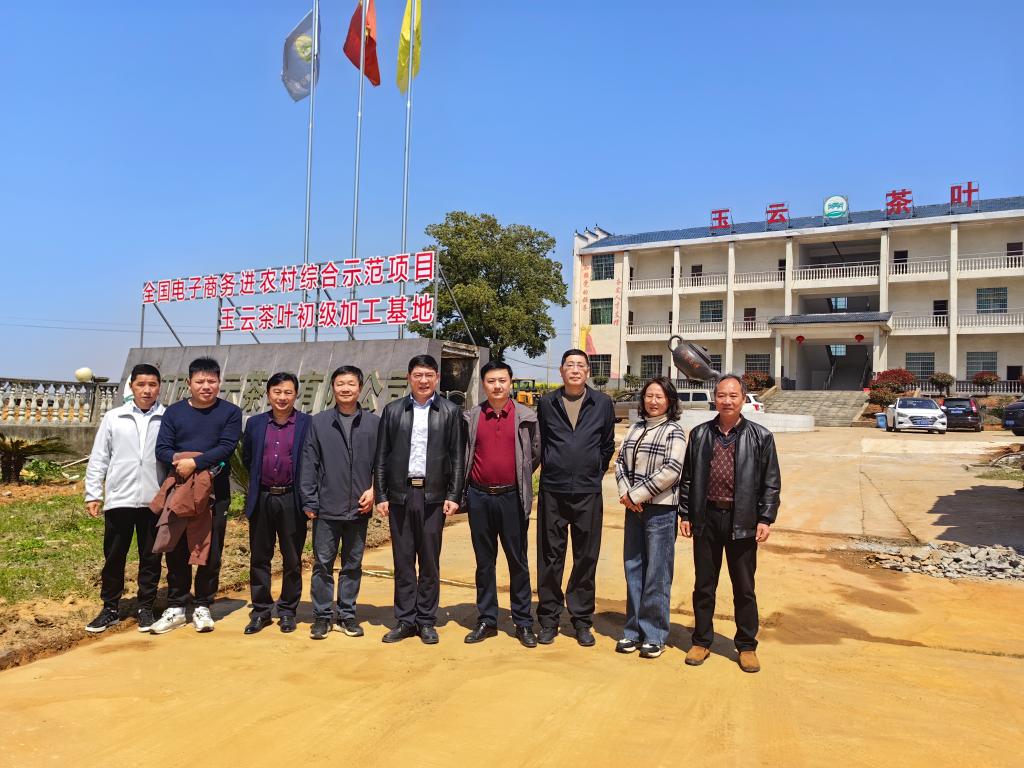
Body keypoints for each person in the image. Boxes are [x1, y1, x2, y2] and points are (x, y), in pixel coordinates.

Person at [678, 374, 781, 673]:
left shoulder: (761, 437)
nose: (727, 400)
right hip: (707, 518)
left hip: (742, 521)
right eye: (721, 395)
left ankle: (746, 646)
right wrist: (686, 514)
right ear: (715, 398)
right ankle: (701, 641)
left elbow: (771, 482)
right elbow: (688, 479)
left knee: (744, 588)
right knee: (704, 585)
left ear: (743, 399)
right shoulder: (700, 435)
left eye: (733, 395)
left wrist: (765, 518)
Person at [374, 354, 466, 645]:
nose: (423, 380)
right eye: (418, 375)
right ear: (409, 378)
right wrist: (381, 494)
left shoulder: (450, 411)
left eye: (428, 375)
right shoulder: (393, 411)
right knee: (402, 560)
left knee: (429, 561)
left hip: (433, 496)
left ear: (437, 378)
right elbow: (381, 457)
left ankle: (426, 620)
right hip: (401, 495)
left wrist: (454, 495)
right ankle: (405, 620)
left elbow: (458, 457)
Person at [150, 357, 242, 634]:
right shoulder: (174, 412)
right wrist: (184, 463)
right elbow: (162, 448)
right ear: (189, 383)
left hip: (215, 491)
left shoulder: (230, 412)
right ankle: (177, 605)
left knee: (210, 547)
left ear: (219, 383)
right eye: (200, 381)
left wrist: (195, 463)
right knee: (177, 545)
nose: (206, 386)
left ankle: (203, 604)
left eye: (211, 381)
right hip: (179, 488)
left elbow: (226, 447)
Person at [536, 349, 615, 646]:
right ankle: (548, 619)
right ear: (561, 370)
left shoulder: (602, 403)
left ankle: (581, 620)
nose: (575, 369)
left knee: (586, 557)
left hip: (587, 492)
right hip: (553, 491)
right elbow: (541, 442)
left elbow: (607, 445)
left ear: (588, 371)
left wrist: (594, 471)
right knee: (550, 557)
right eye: (569, 364)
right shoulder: (547, 402)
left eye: (580, 365)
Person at [462, 361, 541, 648]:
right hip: (479, 498)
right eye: (491, 381)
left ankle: (523, 621)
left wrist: (518, 477)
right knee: (484, 562)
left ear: (510, 382)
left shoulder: (526, 417)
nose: (497, 386)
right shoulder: (471, 417)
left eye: (502, 381)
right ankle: (487, 619)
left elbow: (535, 454)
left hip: (512, 498)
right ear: (484, 384)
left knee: (517, 561)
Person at [83, 364, 166, 633]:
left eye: (152, 385)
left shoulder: (166, 418)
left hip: (154, 500)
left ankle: (146, 607)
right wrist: (93, 493)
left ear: (159, 387)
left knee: (151, 557)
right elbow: (99, 457)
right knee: (114, 556)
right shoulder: (114, 417)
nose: (147, 390)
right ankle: (110, 607)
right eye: (141, 384)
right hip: (120, 498)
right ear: (132, 387)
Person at [300, 365, 379, 641]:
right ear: (333, 388)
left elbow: (381, 464)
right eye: (340, 384)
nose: (346, 388)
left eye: (351, 384)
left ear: (360, 388)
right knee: (323, 564)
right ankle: (322, 616)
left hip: (359, 507)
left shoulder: (373, 423)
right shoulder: (319, 422)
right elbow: (309, 463)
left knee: (352, 565)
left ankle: (347, 614)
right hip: (326, 507)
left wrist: (375, 491)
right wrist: (310, 500)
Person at [613, 376, 687, 659]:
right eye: (649, 396)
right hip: (633, 510)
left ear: (669, 401)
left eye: (659, 396)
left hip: (660, 511)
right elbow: (620, 463)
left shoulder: (674, 431)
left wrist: (636, 495)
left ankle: (654, 634)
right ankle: (632, 631)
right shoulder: (636, 427)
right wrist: (626, 494)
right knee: (633, 568)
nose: (653, 401)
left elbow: (672, 470)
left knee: (657, 572)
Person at [240, 372, 311, 635]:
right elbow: (248, 458)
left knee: (292, 558)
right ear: (268, 394)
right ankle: (261, 611)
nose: (282, 397)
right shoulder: (255, 424)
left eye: (288, 392)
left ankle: (287, 611)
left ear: (296, 395)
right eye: (277, 392)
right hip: (263, 497)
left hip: (292, 498)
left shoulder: (307, 423)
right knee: (260, 557)